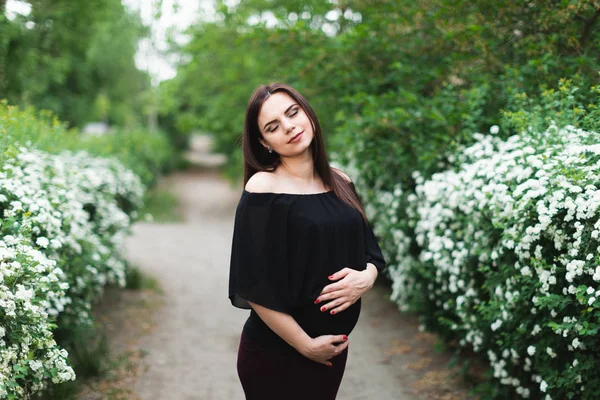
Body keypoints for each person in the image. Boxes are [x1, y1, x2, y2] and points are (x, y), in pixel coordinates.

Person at [228, 83, 387, 400]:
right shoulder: (264, 188)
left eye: (292, 113)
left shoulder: (340, 180)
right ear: (265, 142)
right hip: (276, 354)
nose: (288, 127)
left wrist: (366, 278)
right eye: (273, 127)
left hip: (331, 353)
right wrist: (304, 344)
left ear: (307, 113)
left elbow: (370, 251)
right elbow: (252, 284)